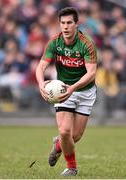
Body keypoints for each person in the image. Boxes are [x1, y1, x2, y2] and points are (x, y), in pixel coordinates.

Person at [36, 7, 97, 176]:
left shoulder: (87, 44)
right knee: (64, 131)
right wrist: (41, 84)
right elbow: (41, 66)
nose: (65, 26)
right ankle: (72, 167)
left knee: (74, 137)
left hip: (85, 92)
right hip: (63, 91)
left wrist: (73, 88)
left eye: (69, 22)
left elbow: (91, 73)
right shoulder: (54, 42)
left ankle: (58, 145)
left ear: (76, 24)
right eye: (62, 23)